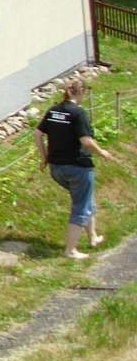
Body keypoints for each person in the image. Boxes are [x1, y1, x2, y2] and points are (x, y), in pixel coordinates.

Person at [37, 78, 113, 259]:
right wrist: (102, 152)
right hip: (77, 167)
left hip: (56, 168)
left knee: (86, 199)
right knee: (81, 206)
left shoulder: (53, 110)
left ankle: (93, 237)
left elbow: (38, 134)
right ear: (82, 92)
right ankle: (70, 250)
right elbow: (86, 141)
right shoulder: (78, 113)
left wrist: (44, 157)